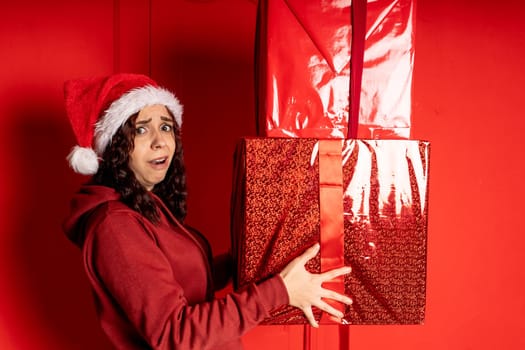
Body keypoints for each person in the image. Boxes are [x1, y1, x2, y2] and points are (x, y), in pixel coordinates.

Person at [62, 73, 352, 350]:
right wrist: (279, 291)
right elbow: (174, 334)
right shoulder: (115, 224)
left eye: (165, 127)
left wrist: (253, 261)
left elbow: (177, 281)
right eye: (140, 129)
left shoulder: (144, 207)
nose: (160, 141)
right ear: (113, 146)